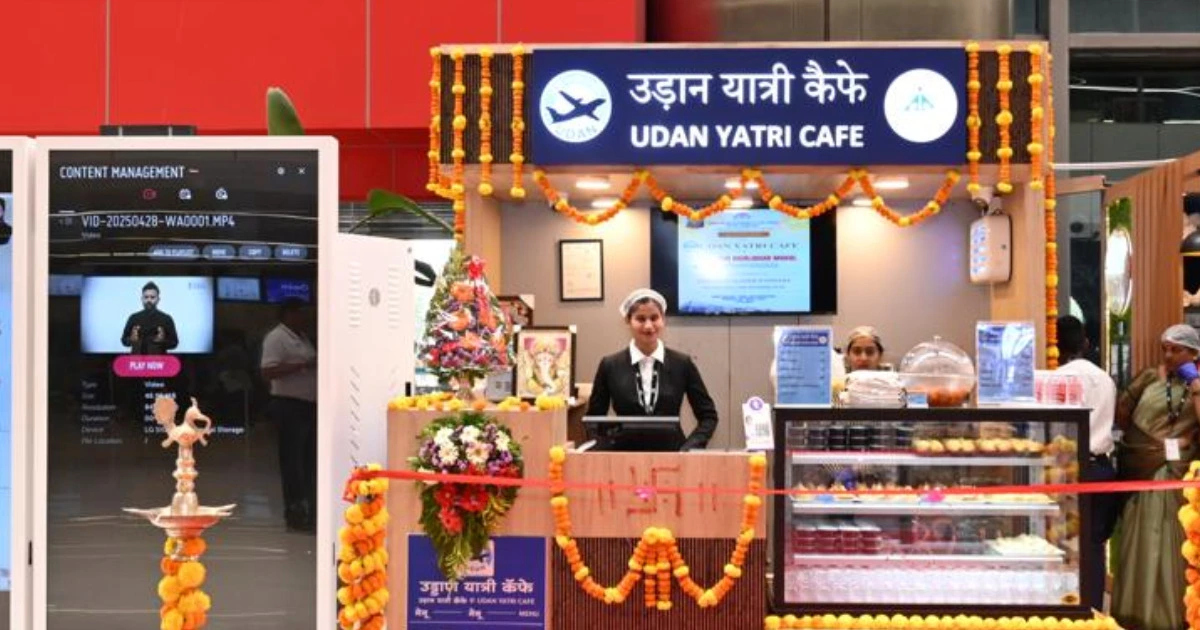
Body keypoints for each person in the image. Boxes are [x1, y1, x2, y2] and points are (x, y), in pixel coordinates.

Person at [1110, 324, 1200, 630]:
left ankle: (1172, 615)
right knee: (1139, 540)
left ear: (1194, 353)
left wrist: (1196, 384)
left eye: (1176, 349)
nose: (1169, 355)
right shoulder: (1149, 378)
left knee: (1170, 541)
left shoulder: (1197, 385)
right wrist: (1145, 443)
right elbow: (1122, 415)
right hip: (1141, 471)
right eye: (1165, 348)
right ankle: (1133, 613)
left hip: (1175, 476)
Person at [585, 289, 718, 451]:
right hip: (623, 459)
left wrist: (689, 449)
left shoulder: (682, 363)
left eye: (654, 318)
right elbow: (593, 421)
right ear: (628, 320)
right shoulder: (610, 365)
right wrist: (607, 450)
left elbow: (708, 417)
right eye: (640, 319)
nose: (648, 326)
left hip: (673, 458)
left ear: (663, 319)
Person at [1055, 315, 1118, 609]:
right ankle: (1092, 611)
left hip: (1069, 470)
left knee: (1064, 544)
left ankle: (1066, 607)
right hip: (1102, 469)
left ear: (1056, 347)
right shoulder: (1105, 378)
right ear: (1086, 342)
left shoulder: (1057, 378)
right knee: (1095, 546)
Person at [260, 298, 317, 532]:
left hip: (308, 406)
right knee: (292, 463)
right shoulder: (277, 338)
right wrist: (301, 365)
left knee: (307, 462)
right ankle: (294, 513)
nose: (305, 317)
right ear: (288, 314)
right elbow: (268, 371)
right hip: (289, 406)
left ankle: (309, 511)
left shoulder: (302, 337)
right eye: (300, 313)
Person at [120, 281, 179, 354]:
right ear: (142, 299)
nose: (149, 300)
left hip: (158, 362)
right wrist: (131, 339)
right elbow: (124, 340)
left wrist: (162, 341)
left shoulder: (166, 318)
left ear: (158, 299)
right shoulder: (133, 317)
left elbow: (174, 343)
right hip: (137, 362)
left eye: (152, 297)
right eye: (146, 297)